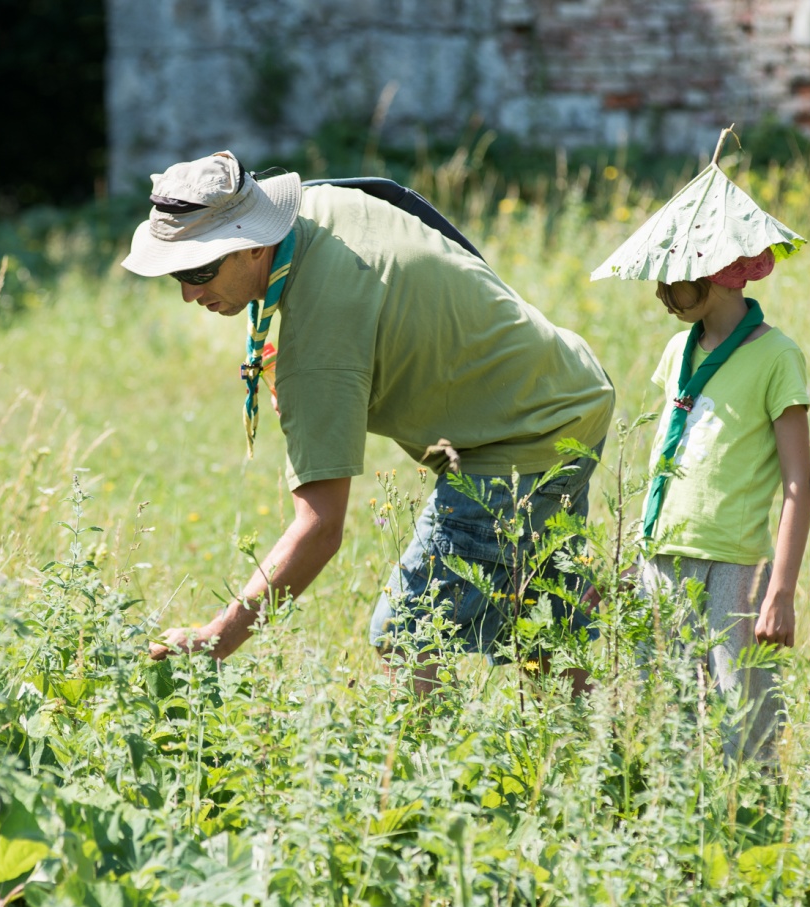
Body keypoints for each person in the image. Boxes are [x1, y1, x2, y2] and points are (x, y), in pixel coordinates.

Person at [120, 151, 615, 689]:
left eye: (199, 270)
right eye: (177, 275)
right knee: (541, 626)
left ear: (255, 243)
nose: (190, 293)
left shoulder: (319, 340)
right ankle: (587, 753)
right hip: (565, 391)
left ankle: (416, 772)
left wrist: (220, 637)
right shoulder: (318, 208)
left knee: (406, 635)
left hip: (523, 438)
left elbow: (321, 529)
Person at [638, 250, 810, 760]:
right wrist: (637, 558)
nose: (662, 293)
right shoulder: (677, 349)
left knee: (745, 729)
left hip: (734, 567)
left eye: (675, 280)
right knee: (671, 725)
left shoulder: (777, 356)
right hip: (662, 559)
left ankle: (753, 830)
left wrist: (779, 592)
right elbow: (663, 453)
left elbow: (798, 482)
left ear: (716, 274)